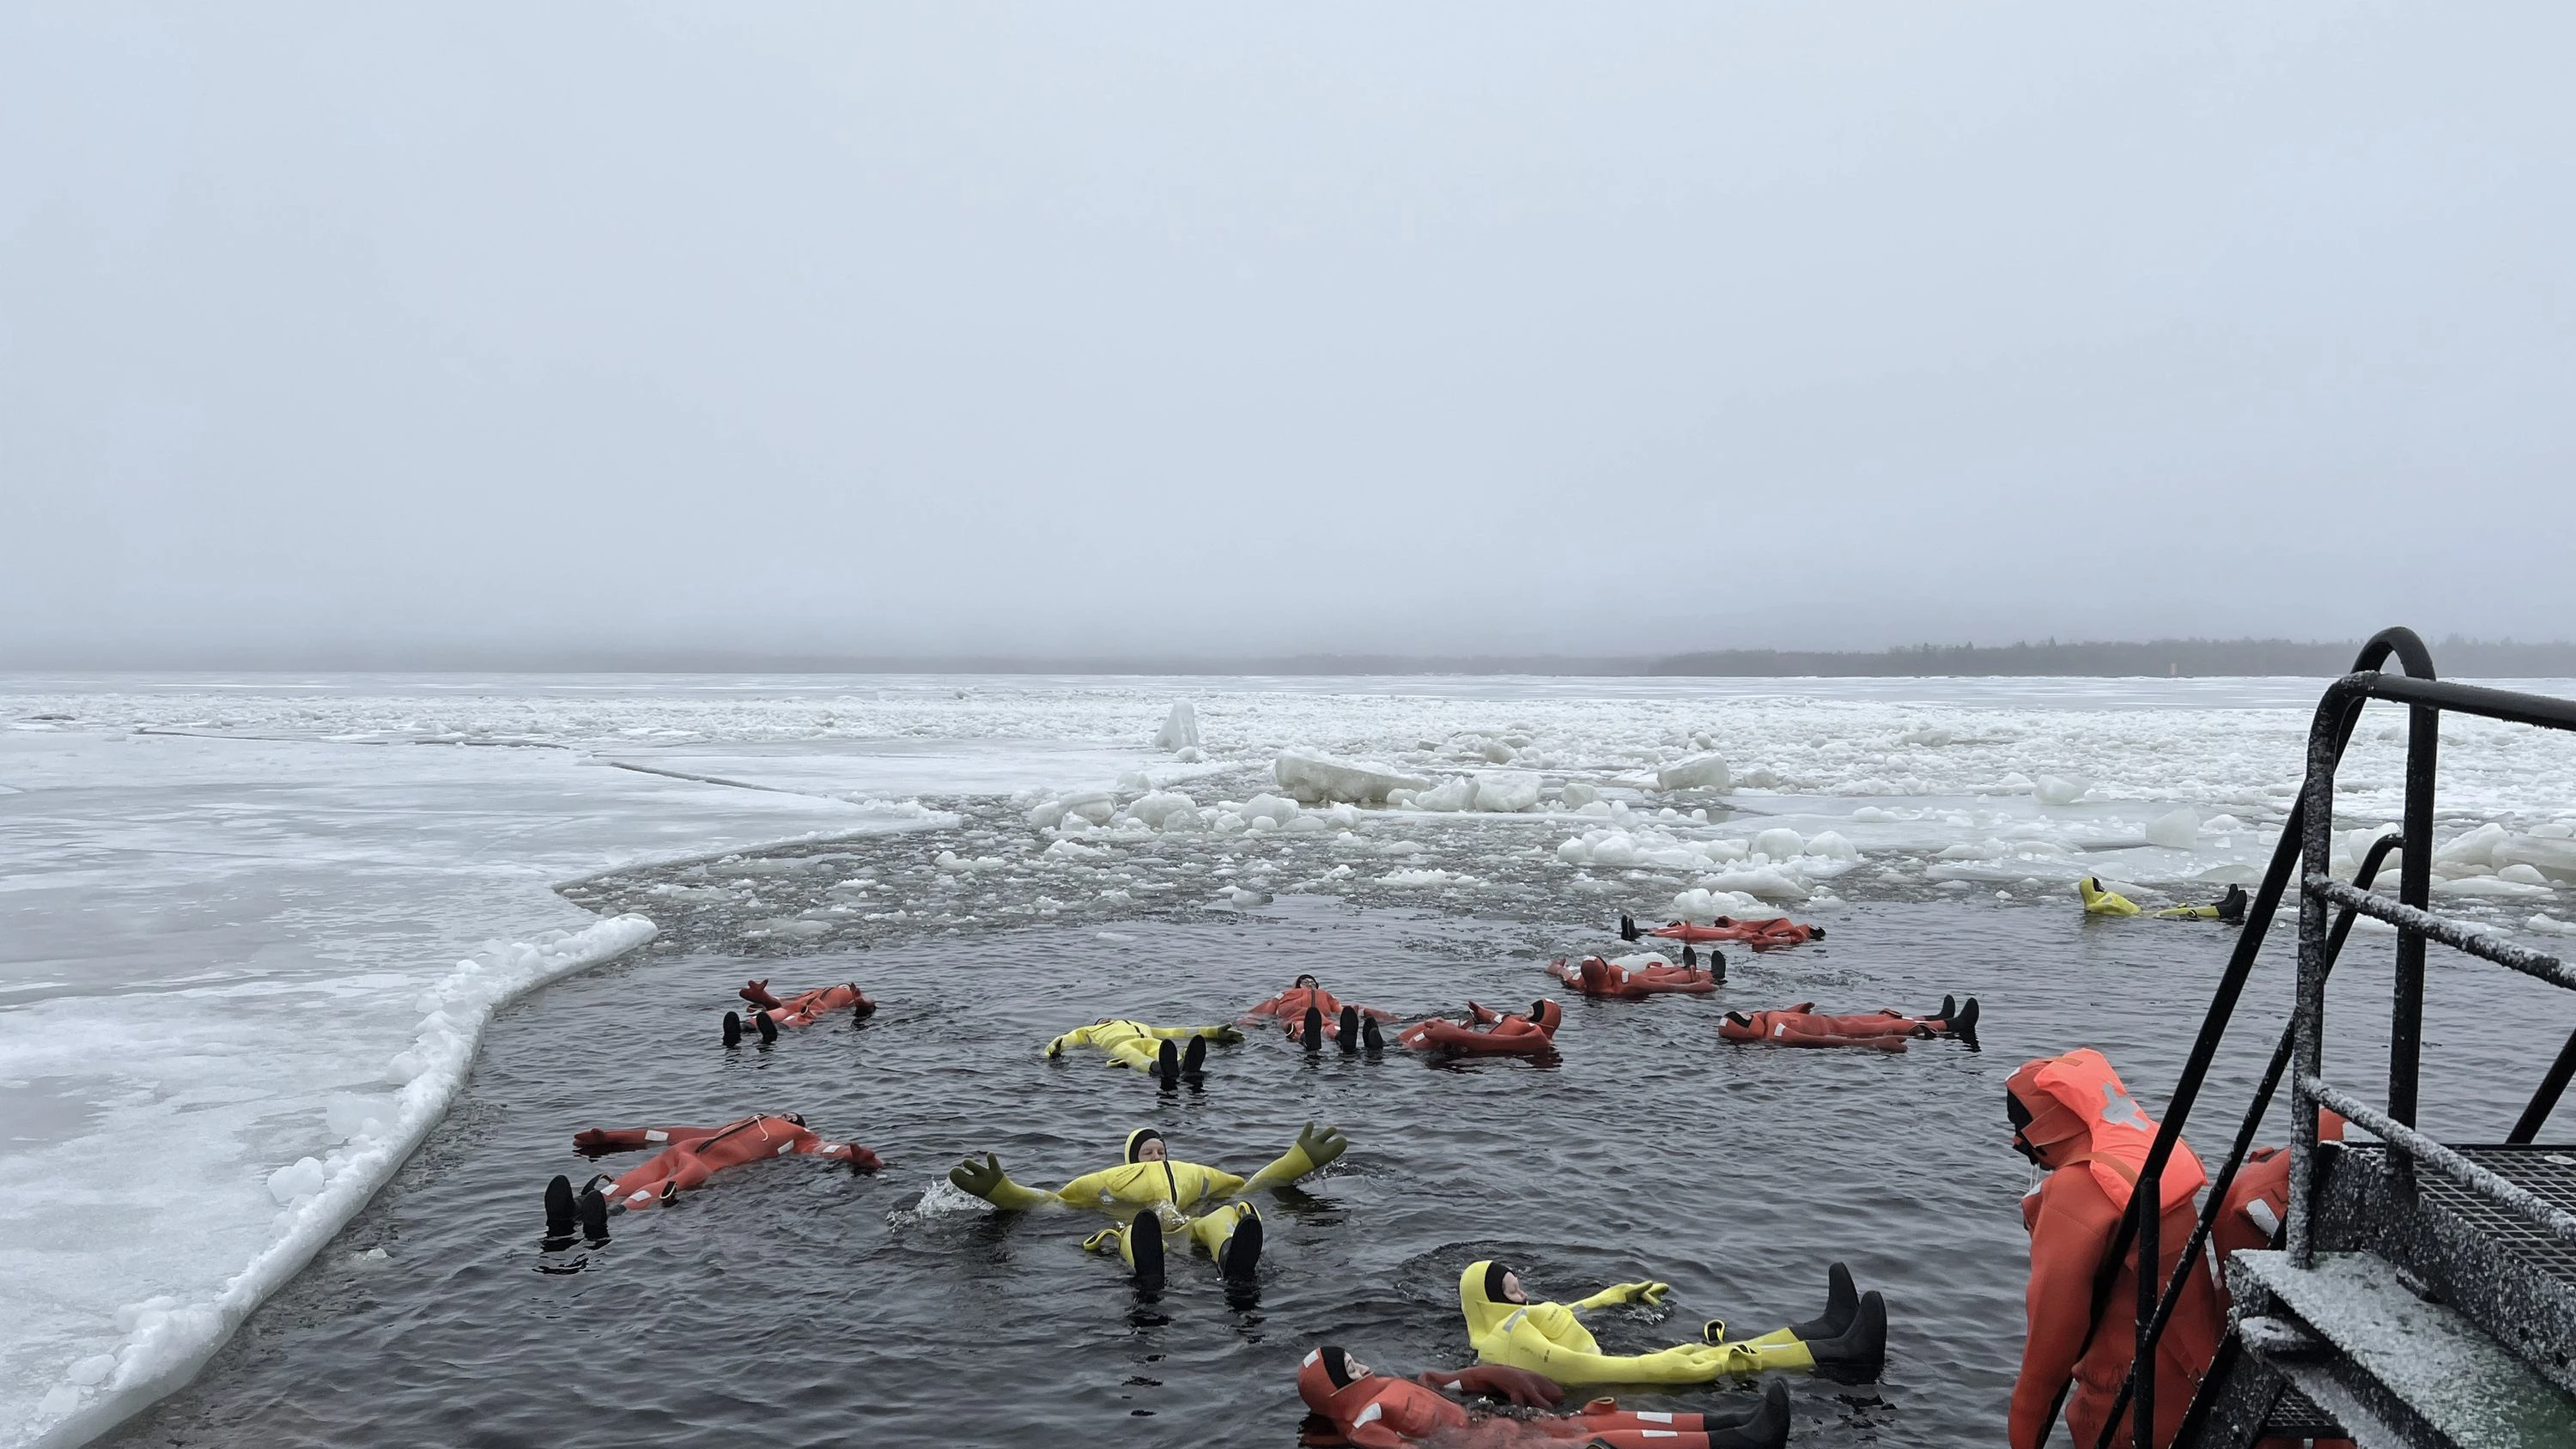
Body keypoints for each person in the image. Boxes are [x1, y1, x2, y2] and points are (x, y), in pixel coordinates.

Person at [2008, 1048, 2222, 1449]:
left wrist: (2022, 1428)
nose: (2014, 1139)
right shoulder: (2150, 1157)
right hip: (2202, 1385)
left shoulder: (2077, 1191)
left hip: (2128, 1414)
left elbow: (2044, 1366)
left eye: (2019, 1126)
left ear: (2046, 1129)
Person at [946, 1123, 1346, 1290]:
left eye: (1160, 1150)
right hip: (1140, 1227)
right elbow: (1055, 1203)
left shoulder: (1192, 1176)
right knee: (1133, 1229)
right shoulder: (1112, 1184)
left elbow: (1249, 1186)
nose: (1155, 1156)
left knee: (1222, 1216)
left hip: (1188, 1225)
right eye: (1146, 1152)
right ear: (1131, 1160)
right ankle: (1146, 1264)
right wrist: (1003, 1191)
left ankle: (1230, 1254)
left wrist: (1297, 1161)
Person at [1461, 1259, 1886, 1387]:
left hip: (1619, 1367)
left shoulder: (1514, 1320)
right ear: (1491, 1299)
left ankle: (1825, 1327)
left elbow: (1564, 1314)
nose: (1524, 1294)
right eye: (1514, 1290)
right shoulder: (1513, 1340)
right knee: (1724, 1358)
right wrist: (1666, 1365)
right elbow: (1588, 1370)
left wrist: (1611, 1296)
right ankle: (1845, 1352)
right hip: (1621, 1387)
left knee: (1713, 1351)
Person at [1296, 1344, 1792, 1449]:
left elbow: (1450, 1382)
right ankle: (1744, 1443)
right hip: (1499, 1446)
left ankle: (1726, 1421)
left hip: (1504, 1426)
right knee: (1593, 1442)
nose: (1363, 1365)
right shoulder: (1364, 1421)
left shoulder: (1394, 1386)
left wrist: (1488, 1375)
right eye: (1350, 1368)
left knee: (1599, 1416)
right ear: (1336, 1388)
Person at [543, 1113, 877, 1240]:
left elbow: (827, 1150)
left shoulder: (802, 1139)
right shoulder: (742, 1124)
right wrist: (613, 1136)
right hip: (684, 1149)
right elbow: (667, 1133)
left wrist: (856, 1155)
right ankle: (584, 1204)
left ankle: (614, 1211)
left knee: (665, 1184)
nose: (787, 1114)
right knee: (632, 1177)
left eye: (793, 1115)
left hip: (701, 1164)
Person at [1720, 995, 1980, 1051]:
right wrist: (1876, 1043)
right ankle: (1955, 1025)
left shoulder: (1764, 1018)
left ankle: (1934, 1017)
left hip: (1834, 1021)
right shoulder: (1777, 1034)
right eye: (1743, 1018)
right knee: (1879, 1026)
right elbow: (1821, 1040)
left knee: (1882, 1017)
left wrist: (1798, 1009)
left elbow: (1783, 1012)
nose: (1746, 1013)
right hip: (1840, 1030)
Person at [1047, 1016, 1246, 1084]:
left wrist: (1214, 1031)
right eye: (1102, 1020)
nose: (1106, 1019)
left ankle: (1181, 1063)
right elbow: (1064, 1040)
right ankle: (1157, 1068)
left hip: (1149, 1040)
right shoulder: (1088, 1031)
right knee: (1133, 1056)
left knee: (1166, 1044)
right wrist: (1053, 1051)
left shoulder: (1139, 1024)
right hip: (1121, 1046)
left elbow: (1175, 1031)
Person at [1241, 974, 1394, 1051]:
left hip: (1324, 1019)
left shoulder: (1325, 995)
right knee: (1299, 1026)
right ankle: (1307, 1037)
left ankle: (1343, 1037)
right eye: (1305, 982)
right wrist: (1247, 1021)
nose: (1310, 984)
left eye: (1313, 982)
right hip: (1296, 1018)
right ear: (1297, 985)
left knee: (1332, 1027)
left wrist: (1365, 1013)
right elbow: (1266, 1008)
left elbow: (1340, 1010)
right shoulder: (1285, 994)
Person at [723, 979, 876, 1046]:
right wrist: (763, 997)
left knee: (796, 1013)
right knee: (787, 1012)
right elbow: (780, 1001)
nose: (844, 986)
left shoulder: (849, 998)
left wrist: (861, 1002)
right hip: (800, 1006)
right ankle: (746, 1026)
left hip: (813, 1008)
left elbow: (866, 1005)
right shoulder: (814, 992)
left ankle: (759, 1026)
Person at [1397, 999, 1564, 1058]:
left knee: (1437, 1032)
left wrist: (1457, 1035)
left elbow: (1501, 1042)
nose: (1525, 1012)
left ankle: (1403, 1051)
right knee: (1437, 1020)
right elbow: (1497, 1018)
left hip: (1471, 1054)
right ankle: (1395, 1043)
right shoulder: (1516, 1021)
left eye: (1532, 1012)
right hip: (1465, 1045)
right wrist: (1483, 1013)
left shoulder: (1538, 1037)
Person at [1549, 953, 1723, 999]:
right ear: (1606, 970)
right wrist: (1706, 986)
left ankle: (1683, 967)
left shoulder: (1580, 983)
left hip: (1625, 982)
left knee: (1650, 973)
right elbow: (1672, 988)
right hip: (1632, 987)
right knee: (1659, 979)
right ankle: (1713, 973)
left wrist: (1556, 967)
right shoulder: (1624, 985)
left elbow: (1563, 973)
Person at [1621, 913, 1821, 950]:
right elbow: (1756, 925)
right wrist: (1731, 922)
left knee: (1691, 931)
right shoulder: (1788, 925)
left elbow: (1781, 940)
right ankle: (1642, 930)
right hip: (1738, 931)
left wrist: (1766, 940)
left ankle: (1642, 934)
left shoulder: (1797, 935)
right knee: (1685, 927)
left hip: (1739, 935)